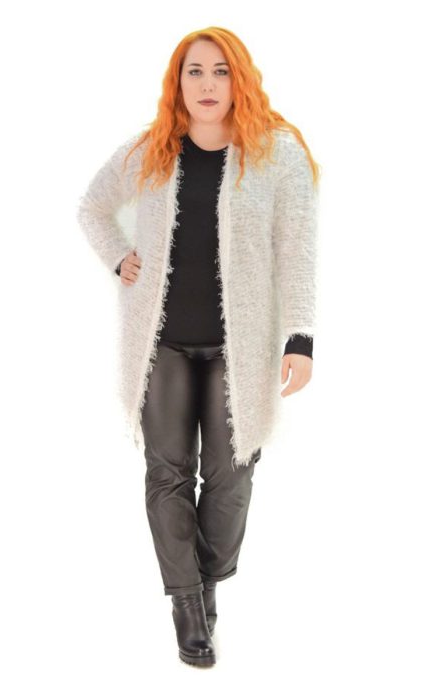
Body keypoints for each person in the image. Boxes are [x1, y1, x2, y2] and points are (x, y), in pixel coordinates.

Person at [76, 27, 320, 668]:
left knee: (232, 474)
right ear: (177, 82)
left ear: (240, 78)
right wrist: (118, 256)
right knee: (168, 472)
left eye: (220, 71)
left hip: (241, 348)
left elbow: (296, 248)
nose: (207, 84)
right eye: (194, 72)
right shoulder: (153, 149)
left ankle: (208, 580)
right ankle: (188, 603)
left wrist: (299, 336)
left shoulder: (276, 154)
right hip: (161, 346)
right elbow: (93, 208)